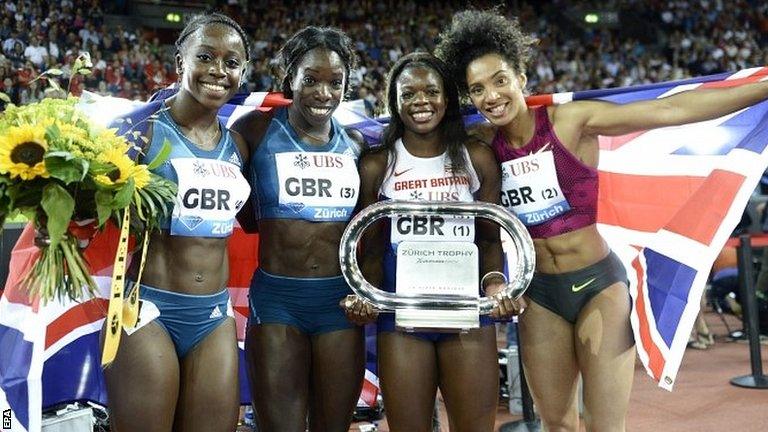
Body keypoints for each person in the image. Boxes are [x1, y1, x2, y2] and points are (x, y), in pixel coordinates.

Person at [435, 9, 768, 431]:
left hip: (598, 286)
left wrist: (764, 90)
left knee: (605, 426)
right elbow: (417, 131)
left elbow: (673, 111)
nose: (491, 95)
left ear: (521, 77)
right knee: (557, 424)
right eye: (477, 89)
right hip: (538, 292)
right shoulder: (481, 143)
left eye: (500, 79)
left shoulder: (571, 121)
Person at [343, 52, 523, 432]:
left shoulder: (477, 158)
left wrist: (496, 284)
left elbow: (489, 239)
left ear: (447, 99)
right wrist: (366, 295)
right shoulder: (378, 165)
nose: (420, 101)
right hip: (403, 318)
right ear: (395, 101)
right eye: (408, 94)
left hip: (467, 315)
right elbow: (372, 248)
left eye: (431, 91)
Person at [103, 13, 251, 432]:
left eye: (232, 62)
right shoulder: (140, 131)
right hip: (148, 310)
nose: (219, 70)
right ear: (179, 61)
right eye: (205, 56)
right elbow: (88, 212)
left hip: (213, 317)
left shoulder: (237, 144)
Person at [230, 26, 366, 432]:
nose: (323, 93)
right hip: (278, 302)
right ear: (290, 77)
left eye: (335, 83)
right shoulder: (256, 129)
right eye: (311, 80)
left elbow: (363, 227)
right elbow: (237, 203)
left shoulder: (356, 143)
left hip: (338, 303)